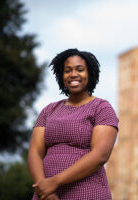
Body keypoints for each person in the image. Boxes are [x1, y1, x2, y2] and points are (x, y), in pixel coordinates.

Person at [28, 48, 119, 200]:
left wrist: (55, 182)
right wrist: (46, 190)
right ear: (61, 75)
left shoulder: (101, 108)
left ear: (90, 74)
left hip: (87, 192)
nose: (73, 74)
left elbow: (100, 155)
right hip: (47, 195)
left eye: (80, 69)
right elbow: (35, 152)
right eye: (67, 70)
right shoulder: (49, 110)